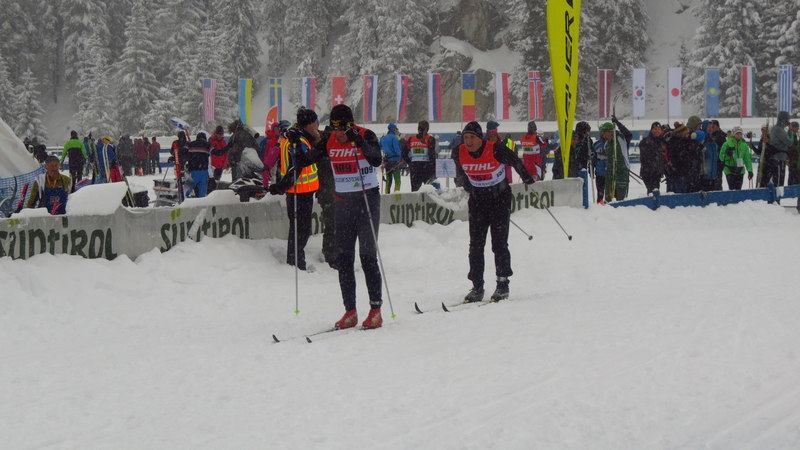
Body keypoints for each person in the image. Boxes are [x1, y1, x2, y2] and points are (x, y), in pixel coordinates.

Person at [293, 104, 384, 329]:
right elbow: (306, 160)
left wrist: (358, 141)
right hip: (343, 204)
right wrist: (296, 142)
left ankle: (375, 310)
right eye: (335, 129)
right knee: (344, 258)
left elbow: (376, 160)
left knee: (367, 256)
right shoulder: (329, 140)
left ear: (351, 125)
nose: (339, 133)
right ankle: (350, 311)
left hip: (367, 202)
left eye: (343, 129)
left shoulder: (366, 135)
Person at [453, 121, 535, 303]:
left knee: (499, 243)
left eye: (472, 137)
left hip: (499, 198)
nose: (468, 141)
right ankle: (477, 286)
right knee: (475, 245)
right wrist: (465, 183)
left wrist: (526, 177)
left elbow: (515, 160)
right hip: (478, 200)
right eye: (465, 137)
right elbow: (459, 170)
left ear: (480, 138)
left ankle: (502, 284)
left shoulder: (495, 149)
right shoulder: (458, 151)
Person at [269, 107, 321, 271]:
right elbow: (296, 167)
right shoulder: (298, 141)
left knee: (298, 229)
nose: (317, 126)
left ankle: (295, 261)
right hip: (299, 191)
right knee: (301, 231)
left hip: (299, 191)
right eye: (315, 122)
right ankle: (296, 264)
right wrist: (281, 186)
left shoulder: (294, 137)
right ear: (309, 124)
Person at [600, 116, 633, 202]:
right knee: (609, 196)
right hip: (610, 173)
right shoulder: (606, 144)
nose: (603, 135)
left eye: (604, 132)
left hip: (622, 172)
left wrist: (618, 124)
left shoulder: (621, 138)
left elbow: (628, 134)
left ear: (610, 131)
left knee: (621, 197)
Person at [402, 120, 437, 191]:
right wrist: (433, 168)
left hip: (415, 167)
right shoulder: (430, 139)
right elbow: (431, 155)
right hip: (427, 167)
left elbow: (404, 153)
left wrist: (410, 162)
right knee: (429, 190)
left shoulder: (411, 139)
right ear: (427, 129)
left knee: (415, 191)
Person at [638, 121, 666, 194]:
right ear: (651, 130)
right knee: (652, 191)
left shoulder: (662, 141)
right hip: (648, 172)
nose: (657, 131)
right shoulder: (645, 141)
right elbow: (645, 158)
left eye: (659, 129)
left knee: (655, 190)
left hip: (658, 172)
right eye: (655, 129)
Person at [766, 110, 792, 187]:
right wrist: (791, 131)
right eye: (787, 119)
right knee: (779, 181)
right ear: (784, 119)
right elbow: (789, 142)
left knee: (778, 179)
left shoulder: (776, 128)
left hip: (777, 157)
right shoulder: (779, 129)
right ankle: (777, 194)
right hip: (779, 158)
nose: (788, 121)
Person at [185, 132, 211, 198]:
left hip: (193, 171)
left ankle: (183, 201)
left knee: (186, 190)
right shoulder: (207, 145)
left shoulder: (190, 144)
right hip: (204, 171)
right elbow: (217, 152)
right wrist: (228, 147)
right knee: (202, 194)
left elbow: (182, 152)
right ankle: (201, 203)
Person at [380, 123, 403, 193]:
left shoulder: (383, 138)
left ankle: (387, 195)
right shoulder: (394, 138)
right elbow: (397, 150)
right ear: (394, 129)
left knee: (388, 181)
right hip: (395, 161)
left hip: (387, 161)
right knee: (397, 181)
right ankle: (396, 195)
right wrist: (401, 156)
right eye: (396, 129)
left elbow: (379, 147)